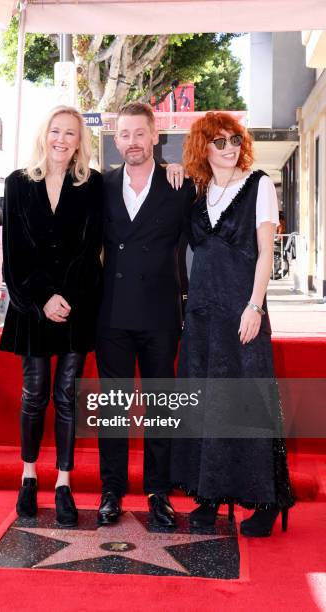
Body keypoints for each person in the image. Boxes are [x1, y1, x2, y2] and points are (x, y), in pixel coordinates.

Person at [170, 111, 294, 537]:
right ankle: (209, 497)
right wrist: (171, 168)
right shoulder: (197, 189)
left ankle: (265, 501)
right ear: (203, 147)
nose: (228, 149)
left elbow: (265, 253)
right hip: (202, 316)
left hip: (242, 313)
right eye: (218, 142)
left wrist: (255, 306)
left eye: (234, 140)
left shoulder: (258, 185)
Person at [0, 106, 103, 526]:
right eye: (56, 131)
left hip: (77, 307)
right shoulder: (17, 184)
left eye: (71, 134)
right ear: (45, 136)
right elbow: (14, 254)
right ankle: (27, 477)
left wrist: (68, 298)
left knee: (66, 396)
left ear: (81, 142)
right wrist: (43, 298)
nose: (62, 140)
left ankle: (63, 482)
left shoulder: (92, 185)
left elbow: (91, 247)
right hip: (32, 307)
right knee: (34, 392)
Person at [96, 102, 195, 528]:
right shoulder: (101, 185)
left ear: (155, 136)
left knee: (160, 408)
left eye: (140, 133)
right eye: (124, 135)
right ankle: (111, 491)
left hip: (160, 312)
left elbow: (201, 243)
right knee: (113, 409)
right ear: (115, 140)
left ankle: (159, 492)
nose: (132, 142)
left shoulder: (180, 186)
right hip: (112, 313)